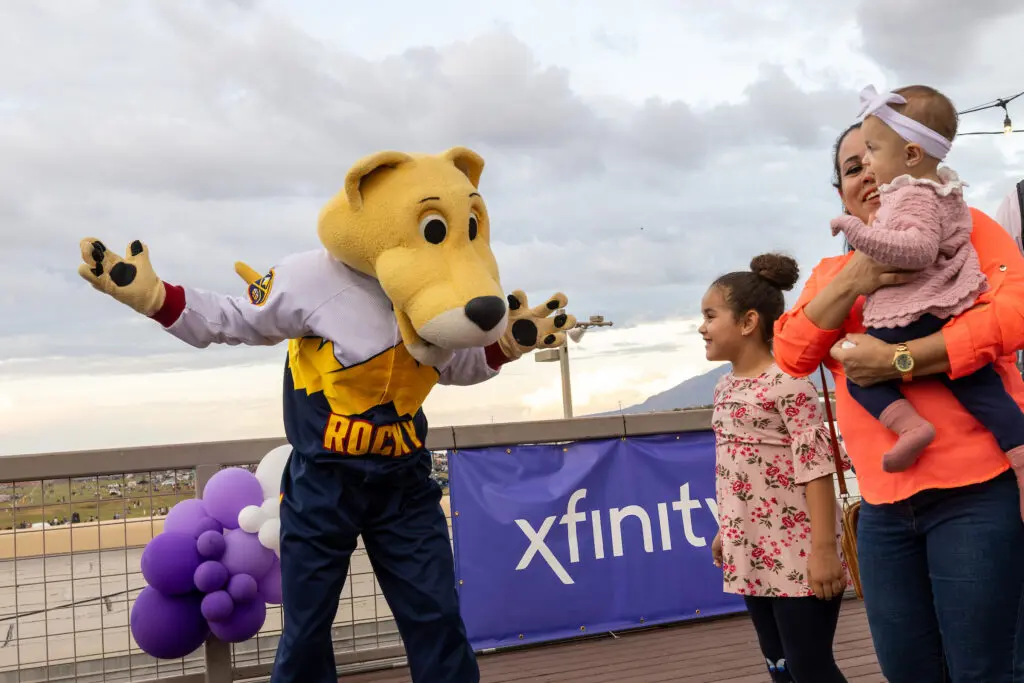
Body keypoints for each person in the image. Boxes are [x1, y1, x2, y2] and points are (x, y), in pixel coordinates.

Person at [772, 118, 1024, 682]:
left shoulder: (967, 228)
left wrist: (899, 359)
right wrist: (856, 275)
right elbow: (791, 354)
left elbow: (1013, 313)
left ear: (914, 160)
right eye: (851, 168)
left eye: (875, 156)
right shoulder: (831, 273)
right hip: (884, 509)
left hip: (979, 494)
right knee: (907, 670)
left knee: (985, 670)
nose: (867, 173)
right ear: (840, 195)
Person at [828, 85, 1024, 474]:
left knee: (857, 371)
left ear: (911, 154)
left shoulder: (911, 195)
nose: (867, 163)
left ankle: (911, 426)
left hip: (919, 308)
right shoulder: (938, 191)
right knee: (978, 387)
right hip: (945, 306)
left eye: (872, 150)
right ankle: (1019, 453)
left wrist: (857, 232)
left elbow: (916, 250)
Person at [703, 253, 849, 683]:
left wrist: (823, 551)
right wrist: (726, 530)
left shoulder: (790, 386)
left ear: (748, 322)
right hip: (752, 552)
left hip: (799, 555)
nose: (702, 326)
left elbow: (816, 470)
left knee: (810, 667)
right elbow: (737, 470)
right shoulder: (724, 387)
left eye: (711, 315)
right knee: (778, 665)